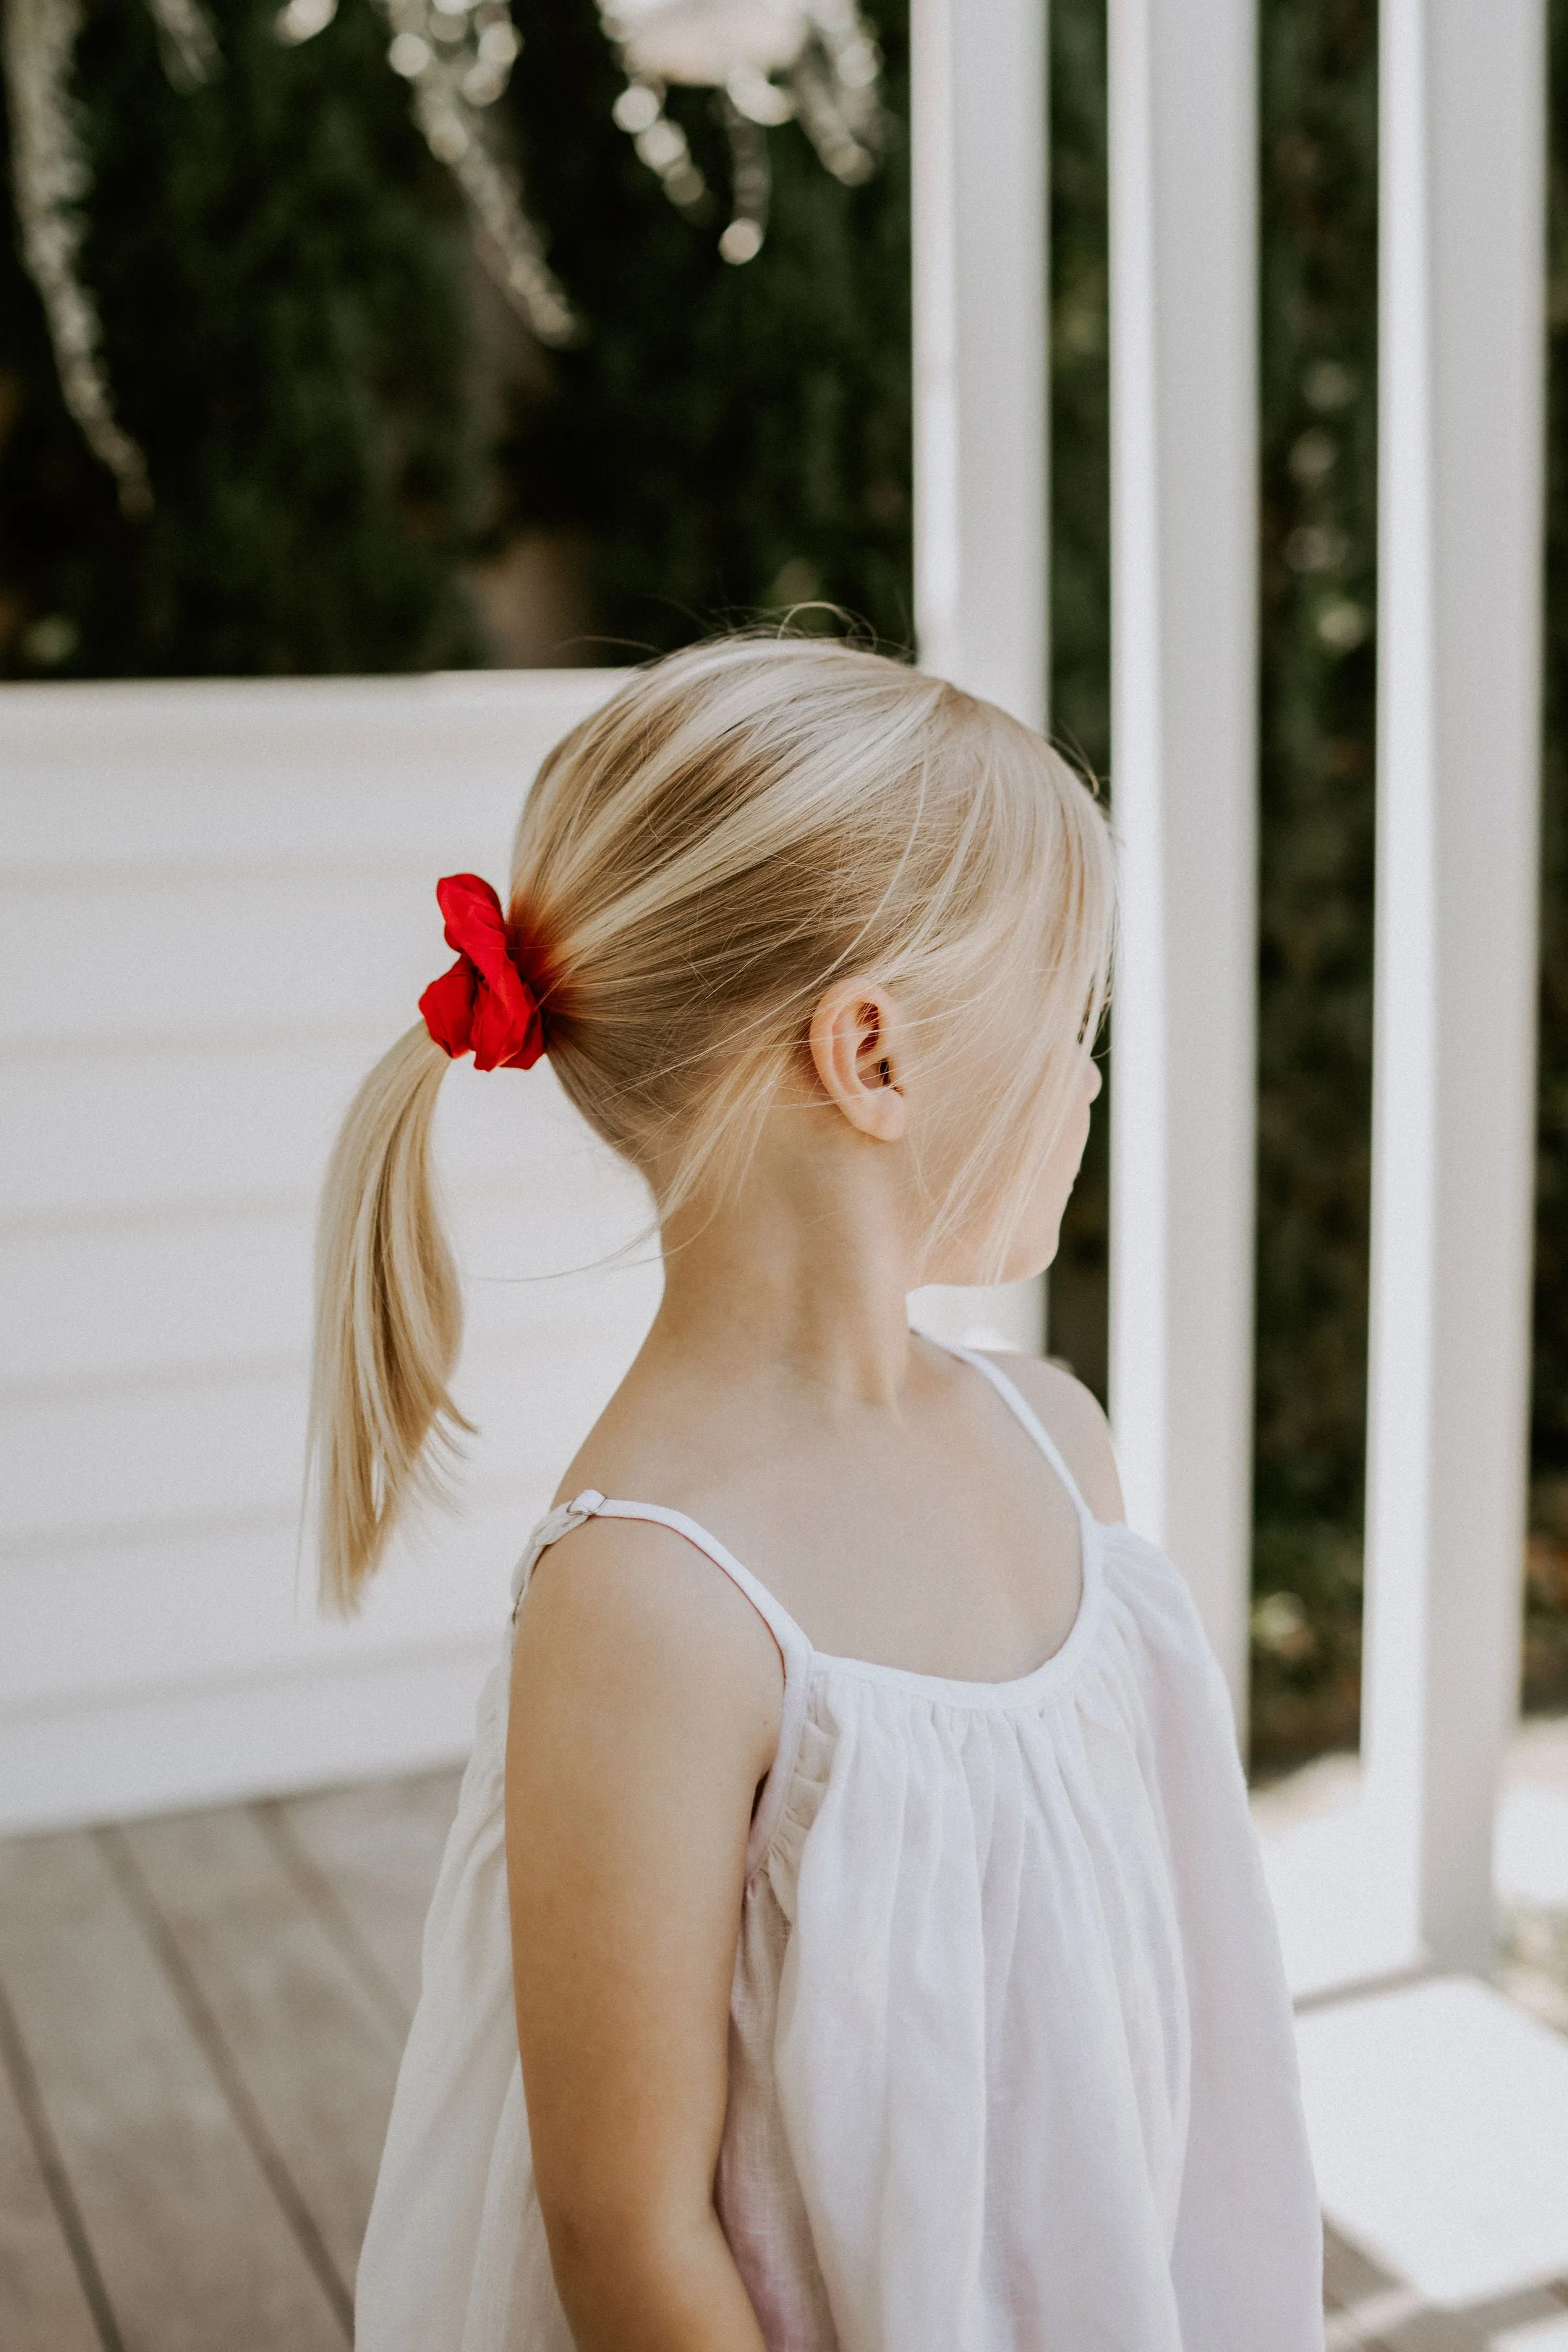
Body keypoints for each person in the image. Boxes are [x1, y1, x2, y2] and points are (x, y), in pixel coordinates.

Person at [312, 635, 1324, 2351]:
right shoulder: (650, 1604)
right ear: (874, 1054)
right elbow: (625, 2235)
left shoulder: (1056, 1447)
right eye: (1068, 1017)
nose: (1084, 1077)